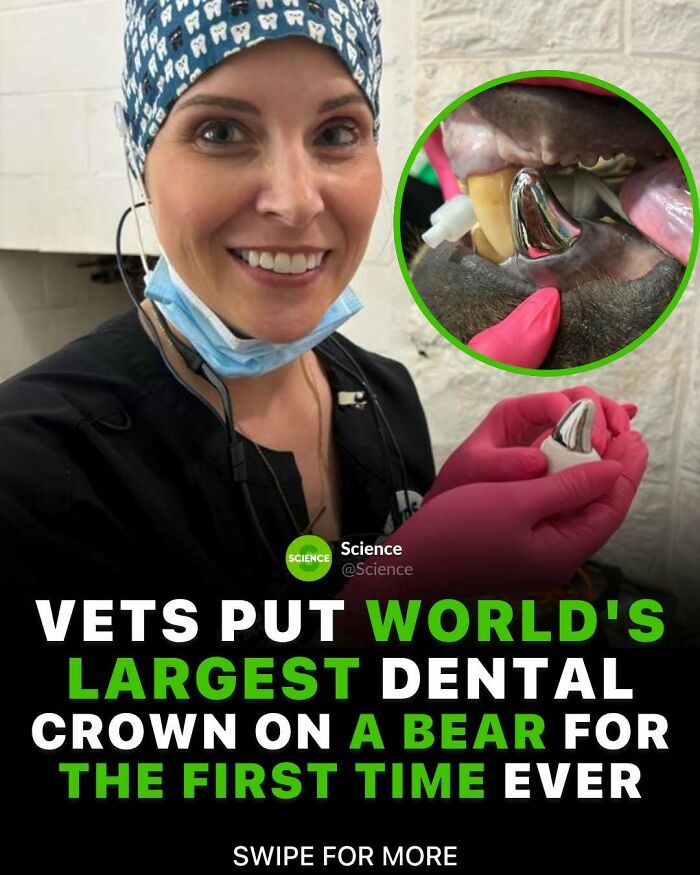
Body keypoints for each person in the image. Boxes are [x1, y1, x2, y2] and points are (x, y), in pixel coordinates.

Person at [0, 1, 647, 646]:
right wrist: (390, 607)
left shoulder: (385, 398)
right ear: (140, 155)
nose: (295, 200)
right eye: (221, 132)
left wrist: (434, 513)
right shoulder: (32, 464)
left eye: (336, 133)